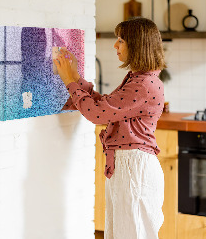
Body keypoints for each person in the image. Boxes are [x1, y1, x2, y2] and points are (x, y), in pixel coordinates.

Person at [54, 17, 166, 239]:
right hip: (129, 166)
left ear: (137, 45)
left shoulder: (143, 84)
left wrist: (69, 81)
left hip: (134, 168)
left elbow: (97, 114)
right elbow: (105, 106)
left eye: (121, 40)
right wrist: (75, 77)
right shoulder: (139, 79)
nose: (115, 45)